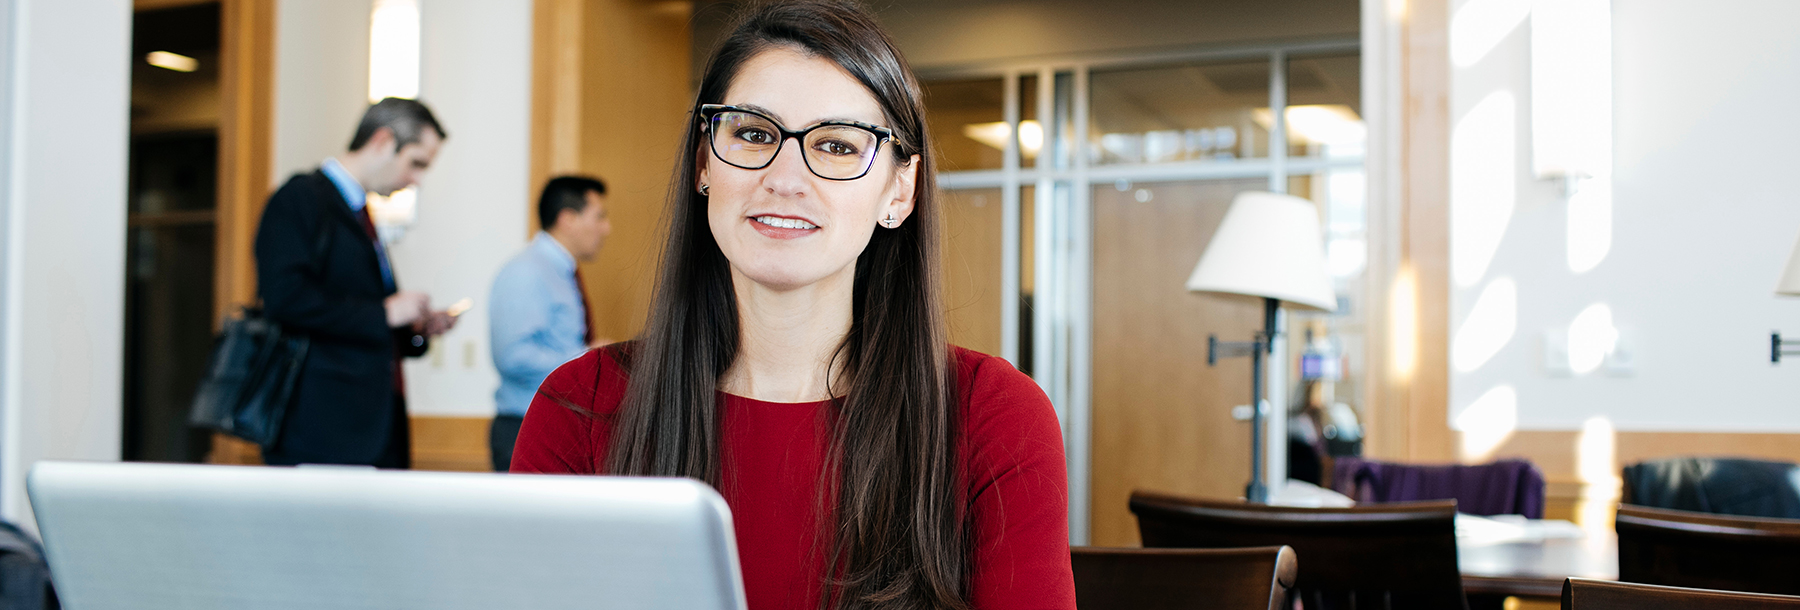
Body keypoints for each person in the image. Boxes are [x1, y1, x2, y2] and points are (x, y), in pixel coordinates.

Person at [510, 2, 1076, 609]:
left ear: (899, 189)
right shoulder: (581, 405)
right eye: (754, 134)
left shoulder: (994, 417)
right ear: (704, 162)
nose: (785, 178)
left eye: (836, 145)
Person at [254, 97, 458, 468]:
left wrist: (412, 328)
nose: (417, 180)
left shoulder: (361, 214)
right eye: (415, 163)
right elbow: (285, 298)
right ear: (382, 141)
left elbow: (360, 317)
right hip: (321, 430)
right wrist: (384, 313)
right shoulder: (300, 199)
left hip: (374, 427)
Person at [486, 175, 613, 472]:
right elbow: (512, 357)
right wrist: (587, 359)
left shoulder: (559, 271)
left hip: (558, 425)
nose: (606, 228)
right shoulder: (527, 272)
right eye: (599, 217)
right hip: (525, 428)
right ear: (568, 220)